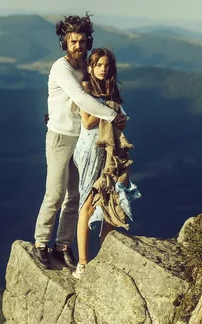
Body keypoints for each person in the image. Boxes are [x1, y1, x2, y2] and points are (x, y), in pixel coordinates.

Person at [32, 14, 128, 271]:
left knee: (74, 195)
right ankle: (41, 242)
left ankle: (62, 245)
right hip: (61, 136)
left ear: (88, 42)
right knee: (55, 192)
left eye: (82, 41)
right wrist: (113, 116)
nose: (78, 46)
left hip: (84, 141)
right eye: (73, 41)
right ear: (65, 42)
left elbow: (99, 94)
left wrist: (120, 113)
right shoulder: (61, 68)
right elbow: (80, 98)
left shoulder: (85, 66)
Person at [71, 47, 140, 279]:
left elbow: (120, 123)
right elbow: (88, 122)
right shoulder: (86, 88)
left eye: (106, 65)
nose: (103, 69)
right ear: (90, 67)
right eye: (98, 64)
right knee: (88, 205)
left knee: (109, 201)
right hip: (91, 150)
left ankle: (104, 259)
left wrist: (118, 117)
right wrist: (109, 110)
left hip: (109, 153)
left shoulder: (111, 91)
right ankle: (82, 263)